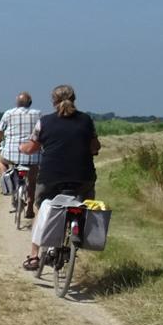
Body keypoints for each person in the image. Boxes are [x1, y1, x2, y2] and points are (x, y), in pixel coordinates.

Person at [22, 83, 100, 271]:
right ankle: (78, 237)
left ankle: (34, 256)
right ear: (74, 99)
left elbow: (31, 148)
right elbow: (95, 147)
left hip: (51, 178)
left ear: (53, 101)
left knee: (41, 208)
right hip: (83, 177)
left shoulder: (45, 122)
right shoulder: (86, 121)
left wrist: (22, 148)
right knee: (85, 205)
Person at [0, 91, 41, 216]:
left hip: (11, 154)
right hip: (32, 155)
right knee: (32, 179)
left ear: (17, 103)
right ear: (30, 103)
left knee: (0, 159)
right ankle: (30, 208)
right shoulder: (39, 114)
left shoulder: (8, 113)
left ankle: (7, 180)